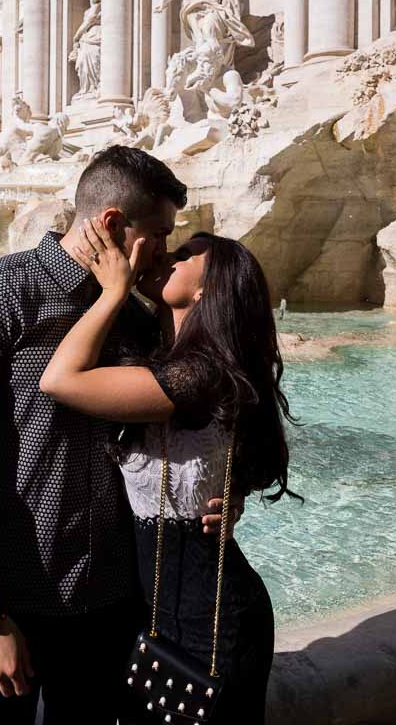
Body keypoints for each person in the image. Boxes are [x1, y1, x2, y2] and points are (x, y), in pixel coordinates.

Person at [0, 147, 238, 725]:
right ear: (115, 225)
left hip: (111, 605)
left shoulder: (141, 321)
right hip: (9, 597)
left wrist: (224, 493)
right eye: (160, 234)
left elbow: (193, 426)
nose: (167, 252)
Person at [40, 221, 302, 724]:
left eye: (183, 254)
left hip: (216, 621)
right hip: (157, 614)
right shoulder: (170, 359)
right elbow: (246, 454)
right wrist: (230, 491)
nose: (167, 257)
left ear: (208, 288)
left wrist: (114, 291)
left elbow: (60, 379)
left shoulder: (200, 373)